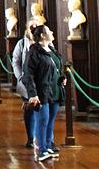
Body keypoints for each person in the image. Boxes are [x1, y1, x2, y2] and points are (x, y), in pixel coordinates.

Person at [22, 24, 65, 162]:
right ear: (42, 35)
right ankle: (42, 149)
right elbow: (28, 75)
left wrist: (62, 78)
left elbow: (57, 67)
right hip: (42, 91)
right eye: (49, 30)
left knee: (50, 120)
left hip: (55, 90)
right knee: (42, 120)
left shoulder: (51, 49)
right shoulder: (34, 52)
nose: (52, 31)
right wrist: (32, 94)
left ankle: (48, 144)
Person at [11, 19, 39, 148]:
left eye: (36, 26)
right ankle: (31, 137)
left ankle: (44, 139)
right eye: (31, 26)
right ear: (27, 29)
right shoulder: (22, 43)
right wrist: (20, 76)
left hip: (42, 81)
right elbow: (15, 60)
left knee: (44, 111)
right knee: (30, 110)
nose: (34, 29)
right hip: (27, 82)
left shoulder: (46, 42)